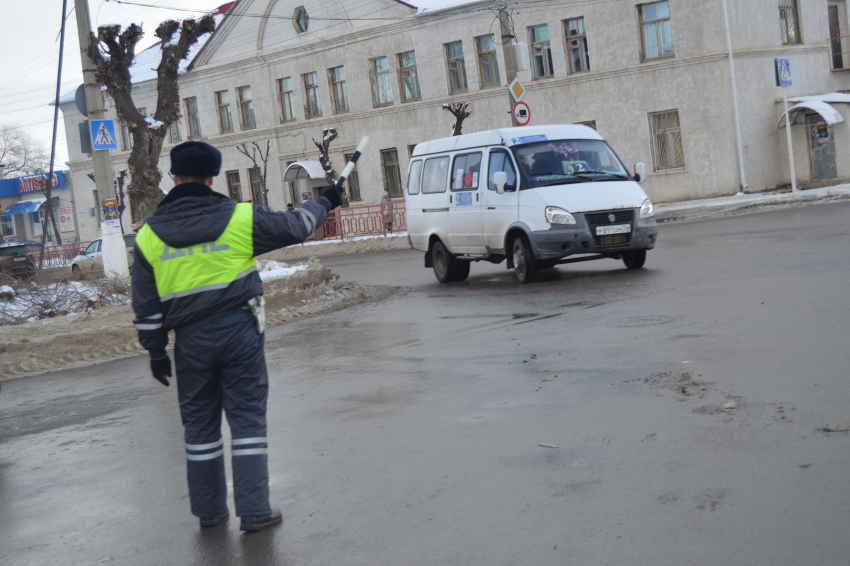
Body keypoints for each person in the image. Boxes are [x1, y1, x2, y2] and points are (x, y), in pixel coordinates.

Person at [131, 141, 341, 532]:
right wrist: (325, 201)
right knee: (246, 420)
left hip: (190, 344)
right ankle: (254, 509)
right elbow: (295, 227)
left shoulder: (148, 236)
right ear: (212, 177)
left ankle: (209, 511)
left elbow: (145, 307)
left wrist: (156, 351)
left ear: (173, 179)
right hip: (240, 332)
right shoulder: (240, 218)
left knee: (198, 427)